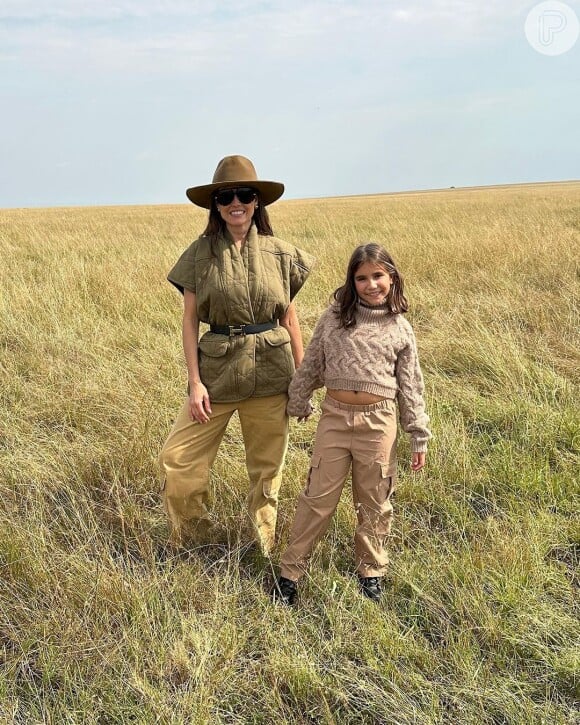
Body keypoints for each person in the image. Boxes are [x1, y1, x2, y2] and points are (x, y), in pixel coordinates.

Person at [159, 155, 314, 555]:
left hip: (271, 371)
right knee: (178, 460)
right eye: (226, 196)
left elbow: (290, 319)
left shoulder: (281, 254)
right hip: (217, 375)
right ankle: (195, 541)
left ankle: (262, 549)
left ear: (257, 201)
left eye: (244, 194)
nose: (235, 202)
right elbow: (190, 321)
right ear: (216, 204)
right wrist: (194, 383)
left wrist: (303, 379)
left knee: (267, 473)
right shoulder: (199, 253)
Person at [272, 243, 431, 604]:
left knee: (374, 501)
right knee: (316, 498)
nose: (371, 284)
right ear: (352, 281)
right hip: (335, 419)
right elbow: (312, 362)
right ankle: (291, 573)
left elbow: (411, 387)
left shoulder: (400, 328)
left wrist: (418, 435)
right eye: (362, 278)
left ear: (391, 277)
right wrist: (299, 398)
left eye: (378, 276)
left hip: (379, 423)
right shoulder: (334, 318)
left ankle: (371, 571)